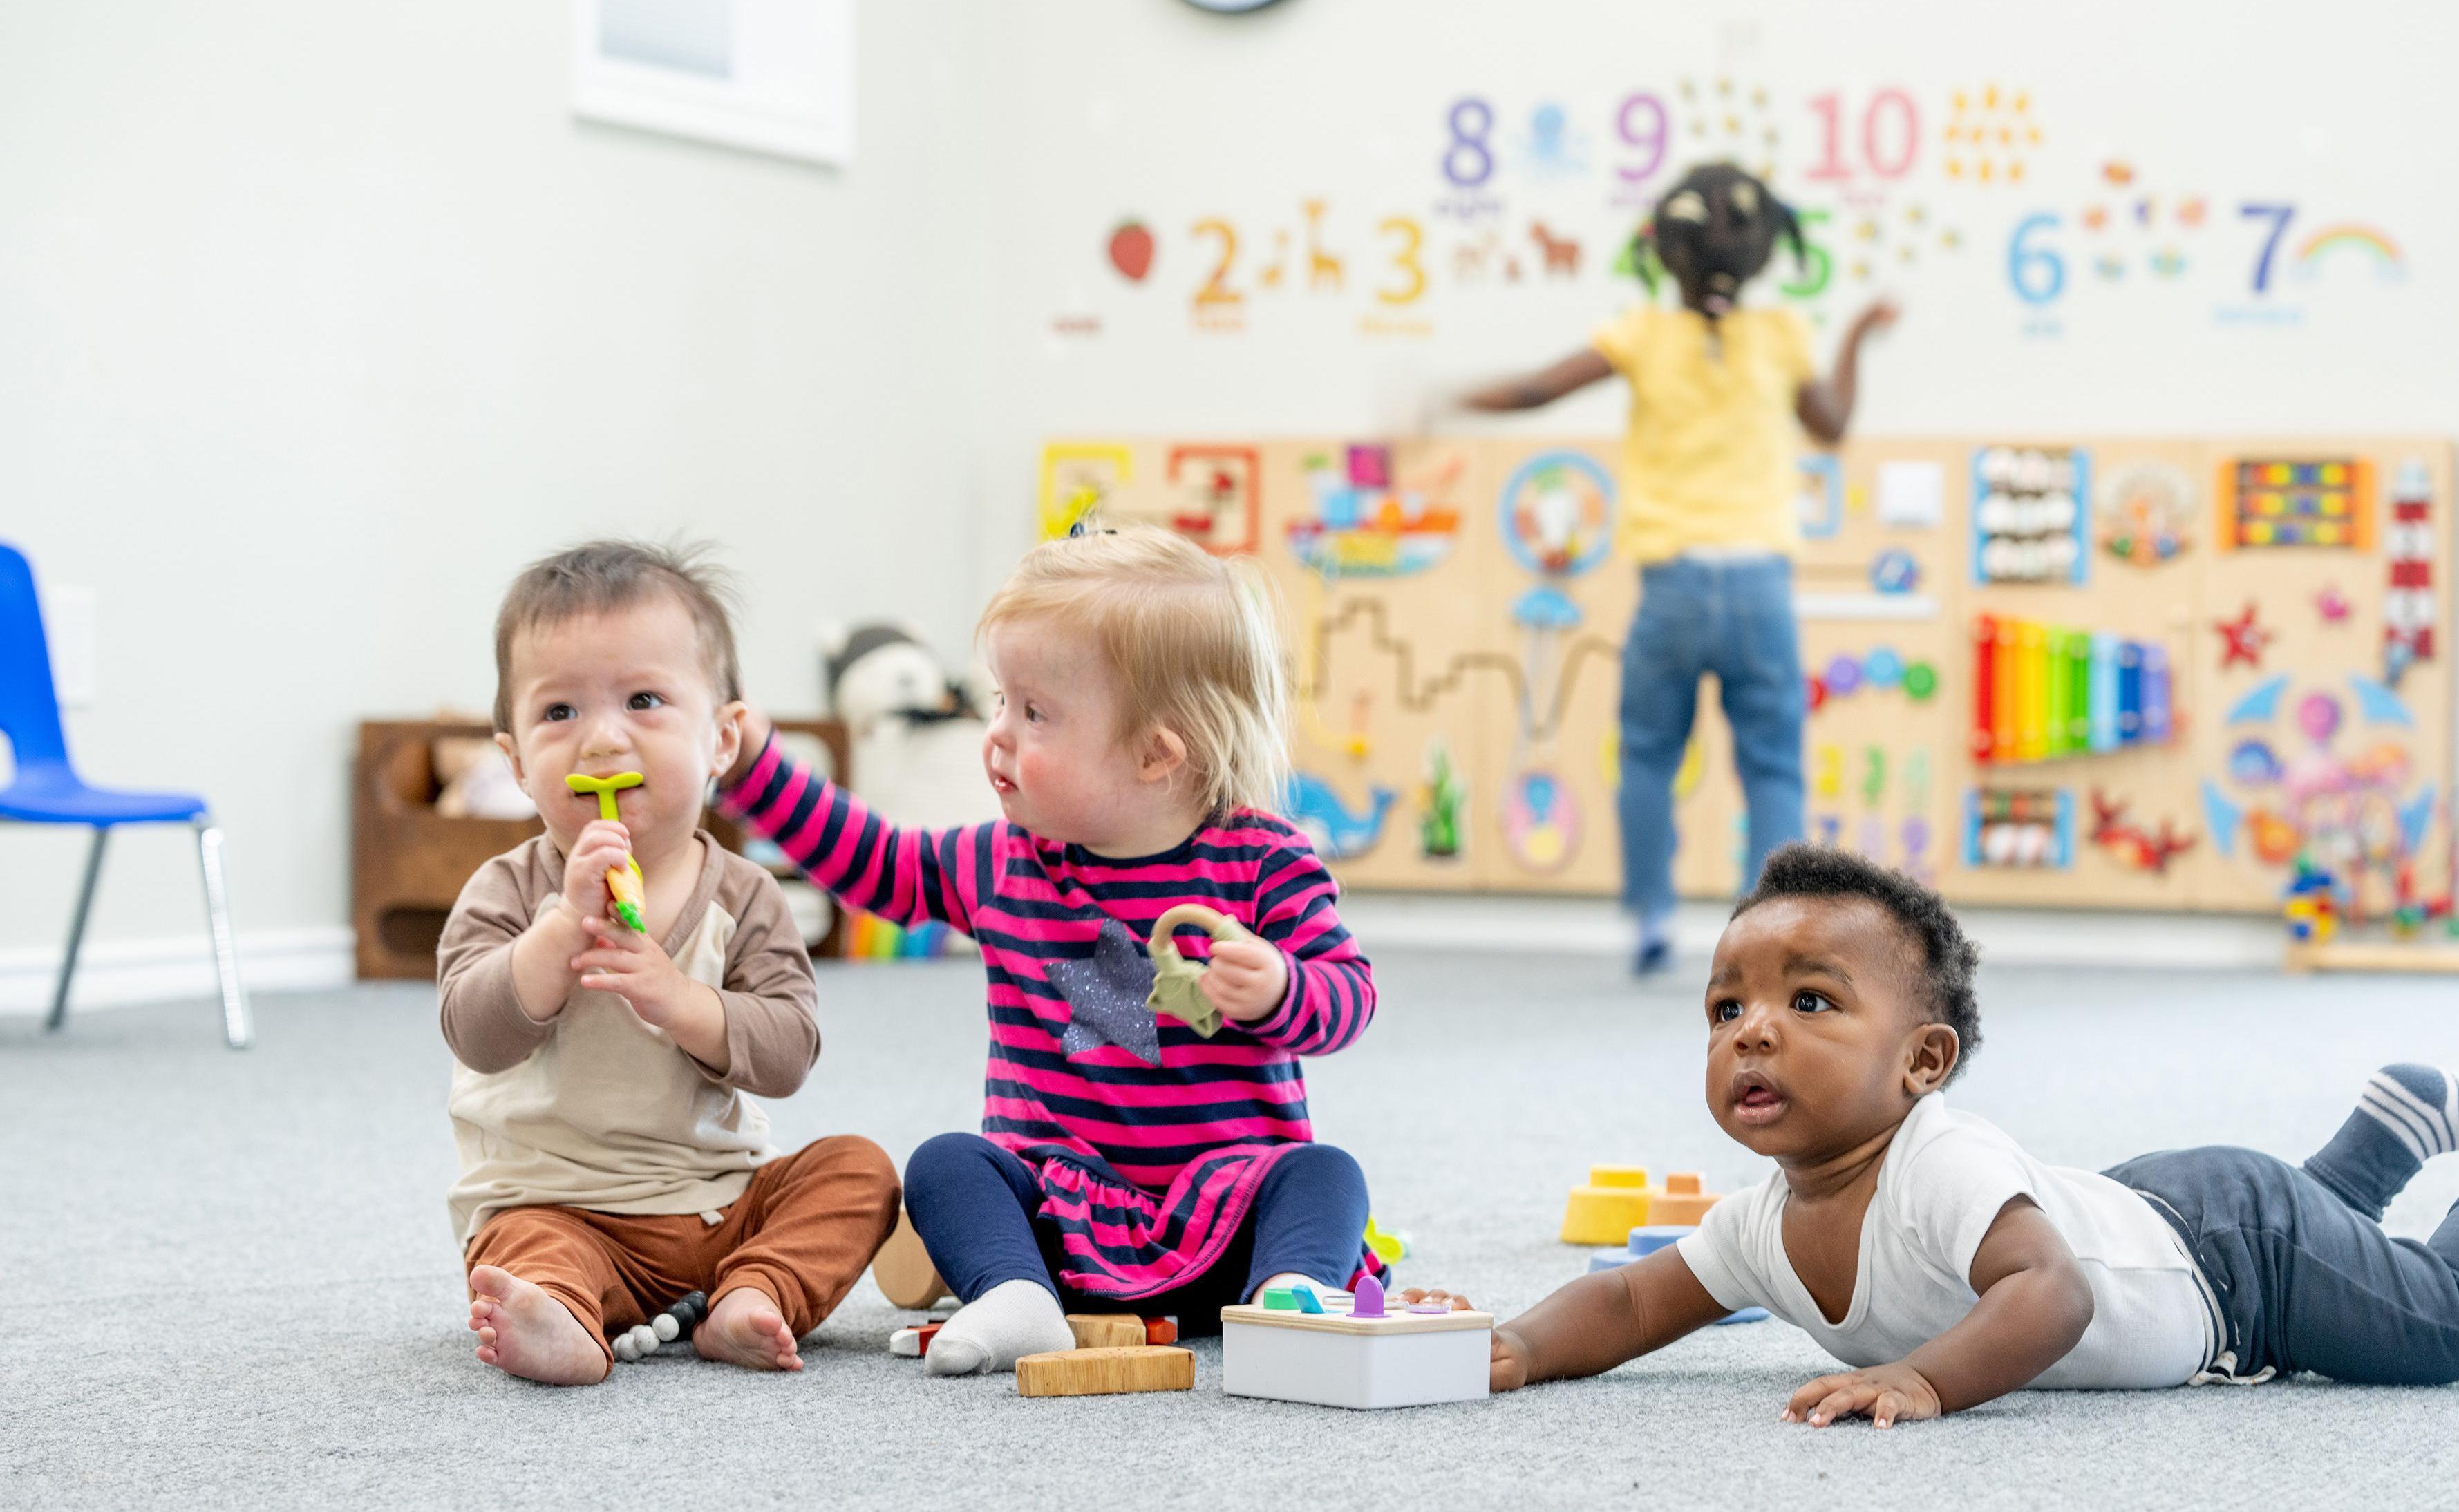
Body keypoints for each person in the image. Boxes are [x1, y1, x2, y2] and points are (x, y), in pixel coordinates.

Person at [1429, 842, 2459, 1425]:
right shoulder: (1761, 1221)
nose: (1752, 1031)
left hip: (2241, 1259)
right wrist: (1522, 1344)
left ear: (1923, 1062)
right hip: (2166, 1214)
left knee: (2442, 1323)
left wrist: (1924, 1374)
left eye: (1808, 1001)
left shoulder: (1940, 1162)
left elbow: (2054, 1293)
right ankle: (2387, 1131)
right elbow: (1639, 1301)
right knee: (2356, 1254)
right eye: (1726, 1006)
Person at [722, 526, 1380, 1375]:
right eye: (999, 700)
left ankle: (1290, 1295)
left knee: (1323, 1174)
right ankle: (1015, 1298)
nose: (996, 735)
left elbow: (1349, 996)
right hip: (1061, 1219)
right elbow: (875, 864)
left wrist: (1284, 987)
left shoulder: (1262, 861)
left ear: (1155, 753)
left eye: (1034, 713)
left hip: (1228, 1213)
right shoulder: (1001, 863)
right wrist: (758, 772)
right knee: (946, 1165)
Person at [444, 540, 900, 1386]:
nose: (601, 741)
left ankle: (752, 1293)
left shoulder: (745, 895)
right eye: (559, 714)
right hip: (561, 1202)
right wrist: (553, 938)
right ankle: (560, 1315)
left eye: (643, 701)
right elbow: (475, 1034)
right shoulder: (506, 887)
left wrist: (680, 1000)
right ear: (513, 762)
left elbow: (789, 1052)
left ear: (723, 738)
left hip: (720, 1204)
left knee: (859, 1171)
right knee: (520, 1240)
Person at [1465, 162, 1899, 974]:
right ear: (1765, 249)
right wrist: (1854, 337)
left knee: (1647, 756)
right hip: (1759, 584)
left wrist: (1450, 398)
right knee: (1771, 761)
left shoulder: (1638, 334)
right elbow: (1833, 426)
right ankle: (1776, 936)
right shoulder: (1780, 337)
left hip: (1669, 587)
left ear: (1665, 249)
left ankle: (1648, 921)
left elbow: (1533, 391)